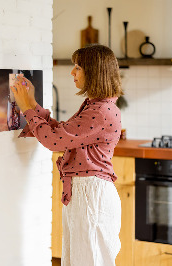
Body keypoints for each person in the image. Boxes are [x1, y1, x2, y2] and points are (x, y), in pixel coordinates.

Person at [11, 44, 123, 266]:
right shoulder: (96, 106)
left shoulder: (100, 111)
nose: (72, 72)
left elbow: (54, 141)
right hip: (86, 193)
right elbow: (62, 133)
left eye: (78, 67)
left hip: (91, 195)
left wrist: (26, 108)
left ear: (94, 72)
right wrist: (32, 103)